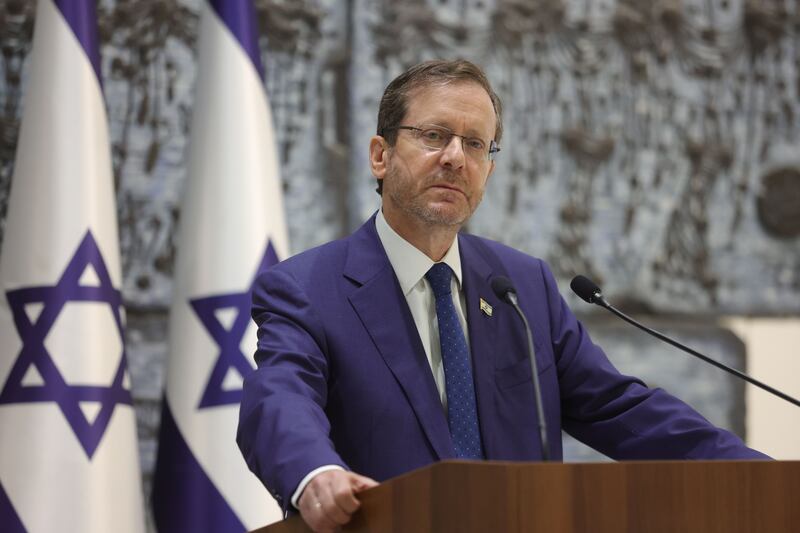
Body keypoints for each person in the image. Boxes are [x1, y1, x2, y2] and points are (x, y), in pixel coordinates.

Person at [237, 59, 767, 533]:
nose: (454, 158)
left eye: (474, 144)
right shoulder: (307, 288)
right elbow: (279, 398)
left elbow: (619, 407)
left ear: (488, 169)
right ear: (381, 155)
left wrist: (760, 477)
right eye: (433, 135)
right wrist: (316, 474)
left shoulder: (520, 285)